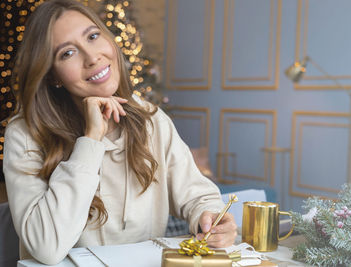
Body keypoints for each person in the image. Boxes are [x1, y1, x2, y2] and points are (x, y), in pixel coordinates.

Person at [3, 0, 237, 264]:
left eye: (93, 36)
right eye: (67, 53)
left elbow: (198, 196)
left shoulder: (151, 120)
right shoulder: (25, 134)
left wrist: (210, 217)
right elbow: (45, 246)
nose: (92, 57)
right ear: (53, 75)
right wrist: (90, 140)